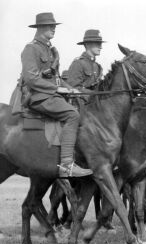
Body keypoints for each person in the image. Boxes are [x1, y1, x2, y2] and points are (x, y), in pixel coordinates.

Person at [21, 12, 92, 177]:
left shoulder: (51, 50)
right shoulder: (31, 48)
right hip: (37, 96)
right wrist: (57, 90)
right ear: (40, 28)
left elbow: (57, 78)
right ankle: (67, 164)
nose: (53, 28)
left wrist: (73, 90)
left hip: (50, 96)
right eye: (49, 26)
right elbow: (31, 79)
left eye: (54, 25)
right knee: (72, 115)